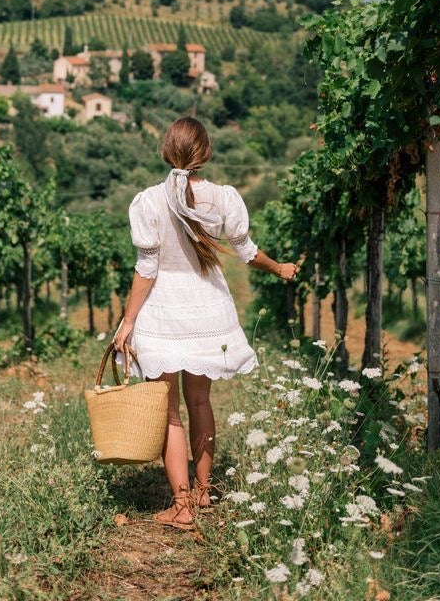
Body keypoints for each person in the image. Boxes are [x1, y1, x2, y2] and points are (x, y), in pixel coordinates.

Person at [113, 116, 301, 531]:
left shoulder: (149, 200)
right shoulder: (223, 198)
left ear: (167, 150)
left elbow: (146, 268)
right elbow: (247, 250)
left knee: (169, 412)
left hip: (162, 312)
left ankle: (180, 506)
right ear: (206, 152)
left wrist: (127, 322)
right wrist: (281, 268)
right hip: (206, 310)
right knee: (200, 402)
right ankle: (202, 493)